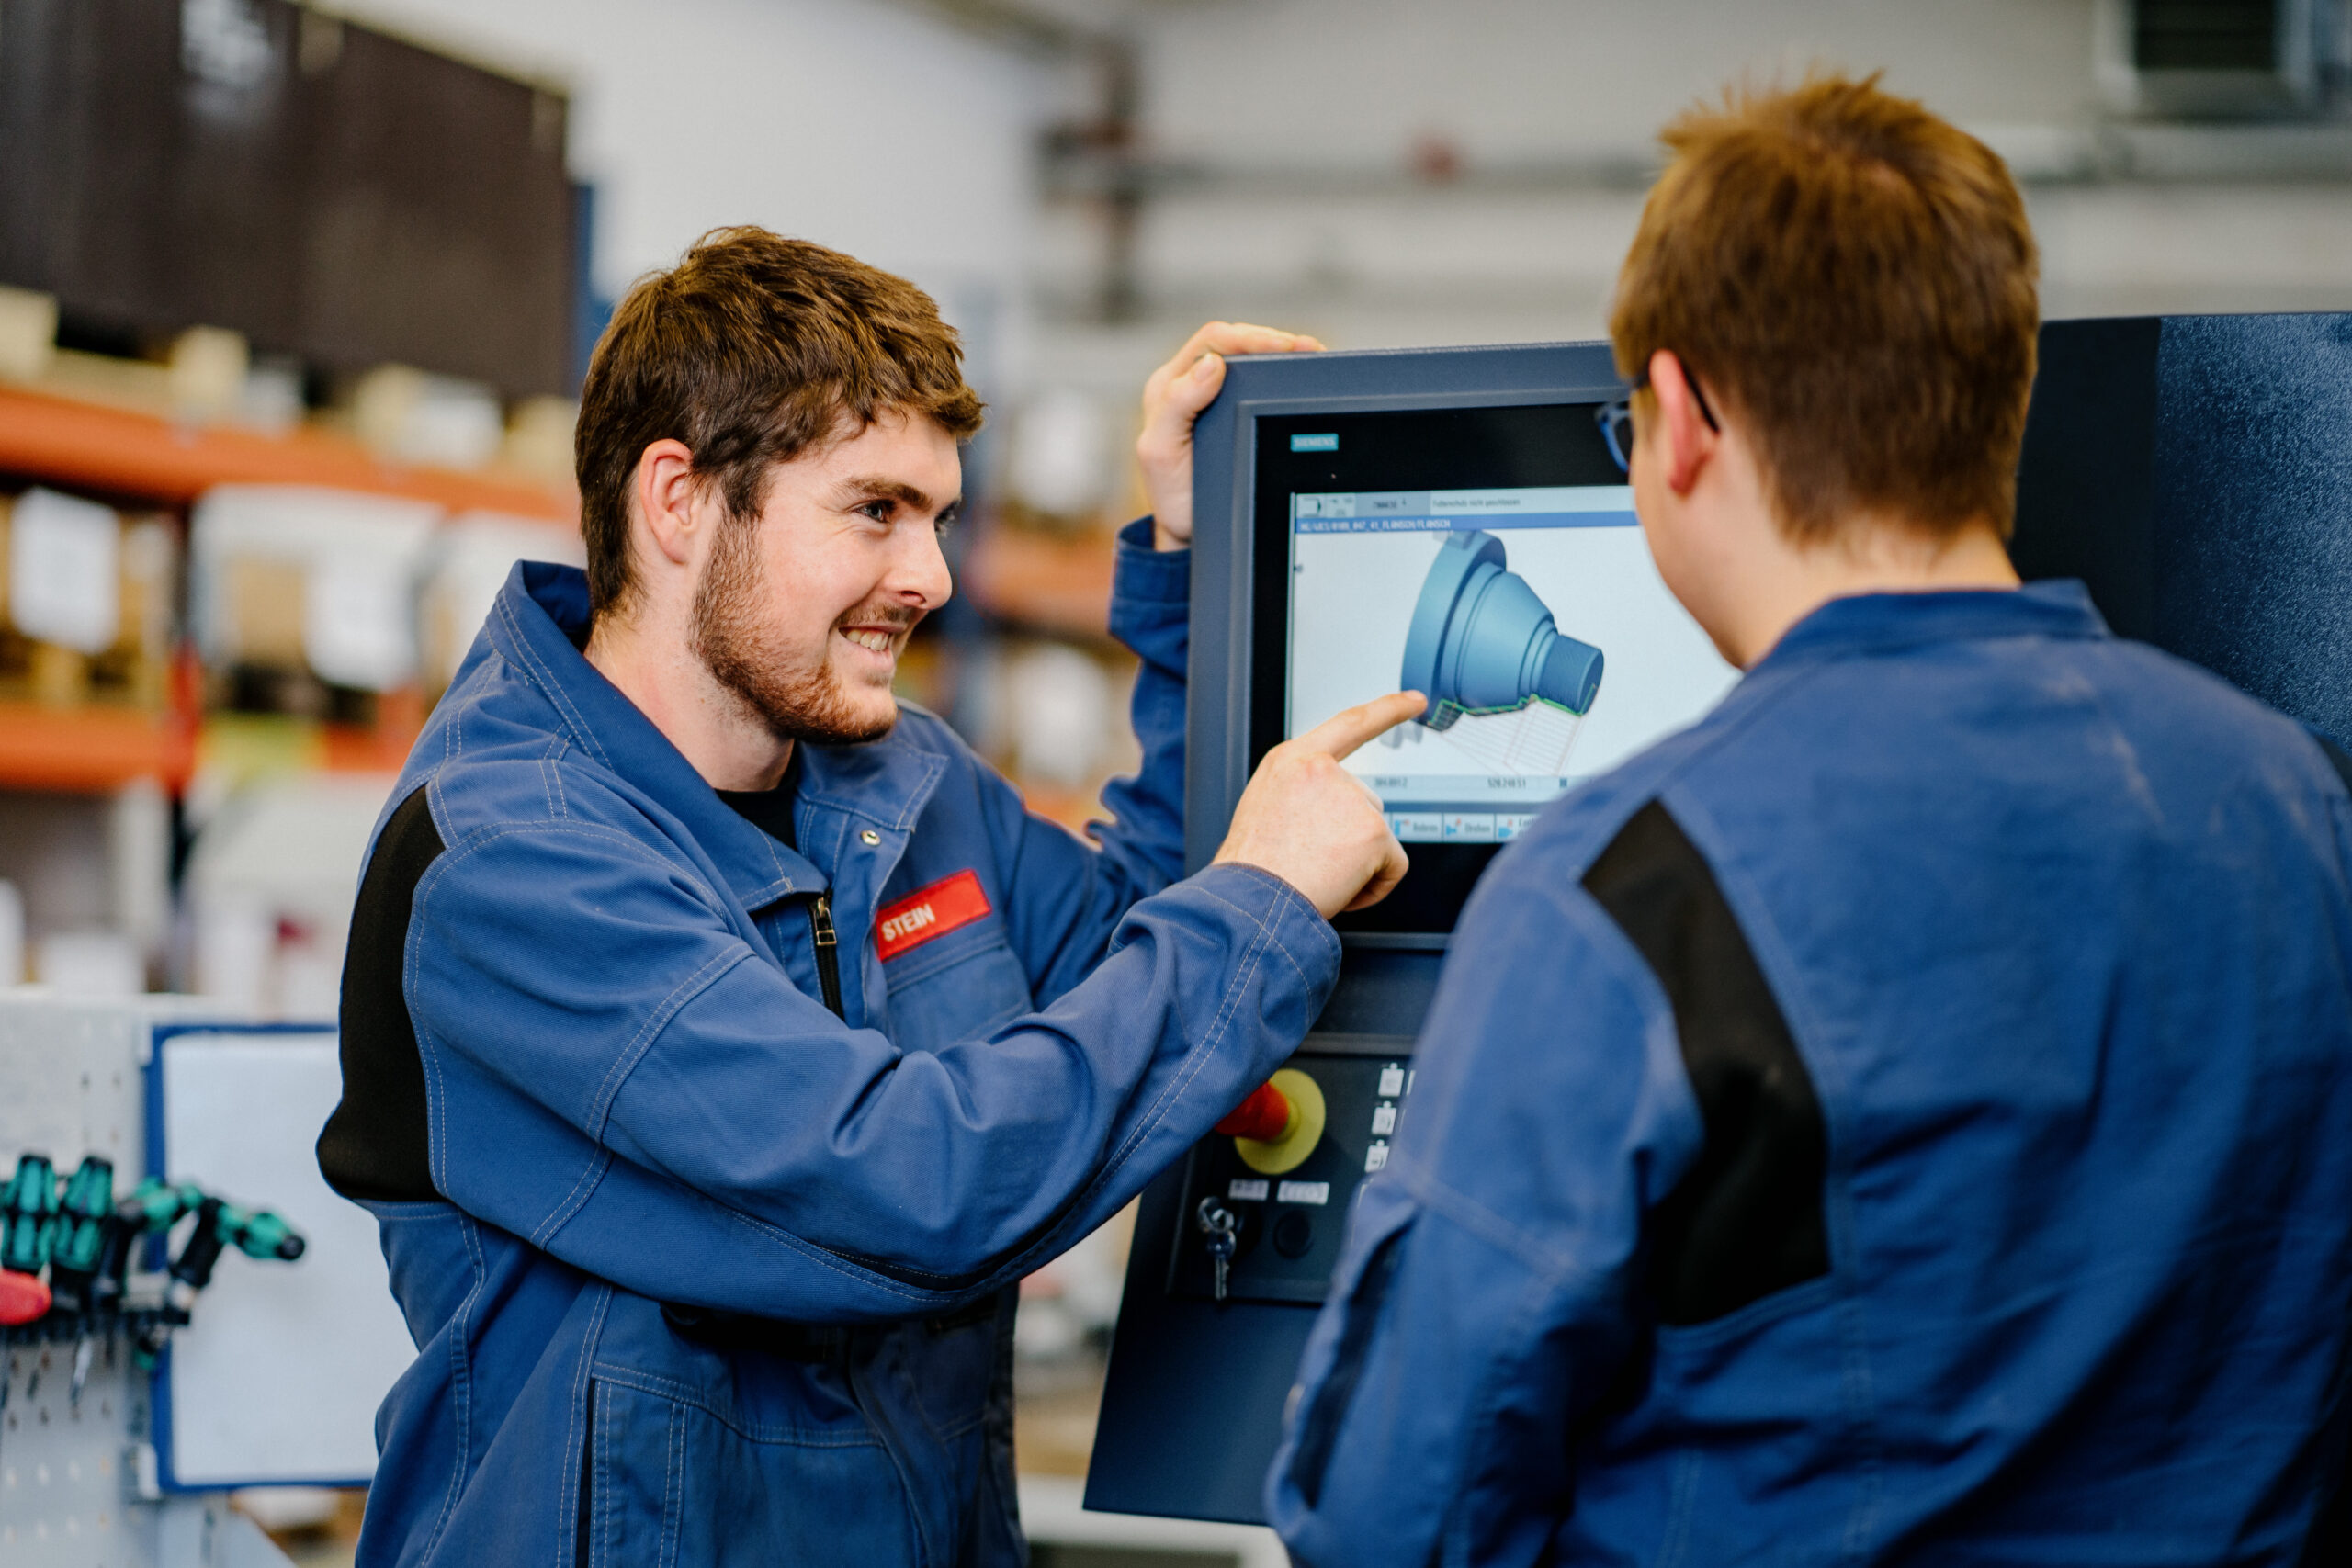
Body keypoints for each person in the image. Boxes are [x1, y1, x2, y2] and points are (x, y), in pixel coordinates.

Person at [1267, 75, 2352, 1565]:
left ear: (1686, 418)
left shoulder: (1626, 895)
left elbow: (1394, 1516)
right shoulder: (2298, 809)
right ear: (1996, 408)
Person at [317, 227, 1417, 1566]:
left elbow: (1141, 951)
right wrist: (1263, 903)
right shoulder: (513, 863)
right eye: (875, 510)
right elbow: (909, 1185)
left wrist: (1196, 557)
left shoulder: (905, 782)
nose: (933, 577)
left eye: (939, 518)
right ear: (679, 501)